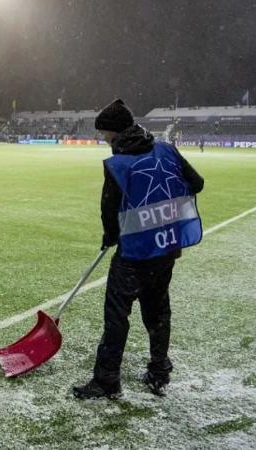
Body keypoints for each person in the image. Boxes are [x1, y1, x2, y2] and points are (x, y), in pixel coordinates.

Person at [73, 99, 204, 399]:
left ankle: (107, 380)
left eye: (104, 133)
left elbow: (109, 210)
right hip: (166, 247)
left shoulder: (119, 164)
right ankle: (159, 371)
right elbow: (196, 183)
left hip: (134, 253)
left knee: (117, 314)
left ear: (115, 132)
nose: (103, 138)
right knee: (157, 310)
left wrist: (109, 237)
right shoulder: (166, 150)